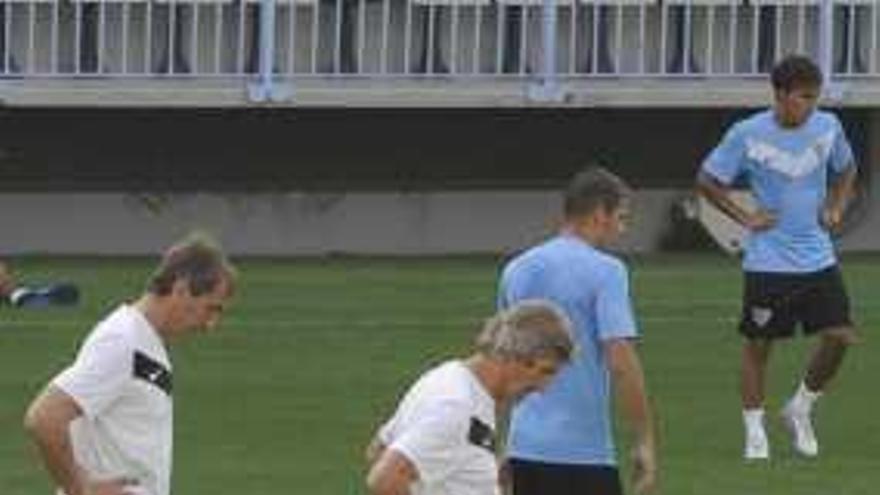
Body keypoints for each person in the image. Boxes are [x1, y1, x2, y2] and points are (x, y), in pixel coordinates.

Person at [696, 54, 858, 460]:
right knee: (759, 346)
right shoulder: (746, 133)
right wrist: (745, 216)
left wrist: (836, 207)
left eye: (815, 97)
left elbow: (847, 169)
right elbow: (707, 180)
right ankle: (755, 433)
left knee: (840, 337)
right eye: (805, 96)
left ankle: (800, 408)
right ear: (782, 95)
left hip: (818, 258)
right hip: (768, 263)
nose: (812, 105)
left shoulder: (828, 126)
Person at [23, 234, 237, 495]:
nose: (210, 325)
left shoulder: (145, 342)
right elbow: (45, 418)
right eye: (210, 309)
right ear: (181, 289)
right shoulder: (123, 342)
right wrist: (79, 488)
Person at [498, 166, 657, 495]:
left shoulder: (516, 270)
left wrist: (501, 443)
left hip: (524, 449)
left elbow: (502, 365)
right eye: (622, 217)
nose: (623, 229)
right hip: (583, 455)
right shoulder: (608, 272)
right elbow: (621, 360)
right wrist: (644, 440)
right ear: (600, 213)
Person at [365, 300, 575, 495]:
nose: (543, 387)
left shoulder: (450, 378)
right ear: (514, 356)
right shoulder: (457, 408)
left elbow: (379, 448)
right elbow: (385, 479)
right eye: (544, 371)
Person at [0, 260, 80, 308]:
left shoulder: (20, 289)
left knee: (67, 288)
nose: (9, 277)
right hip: (50, 297)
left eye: (8, 274)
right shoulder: (19, 298)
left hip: (50, 293)